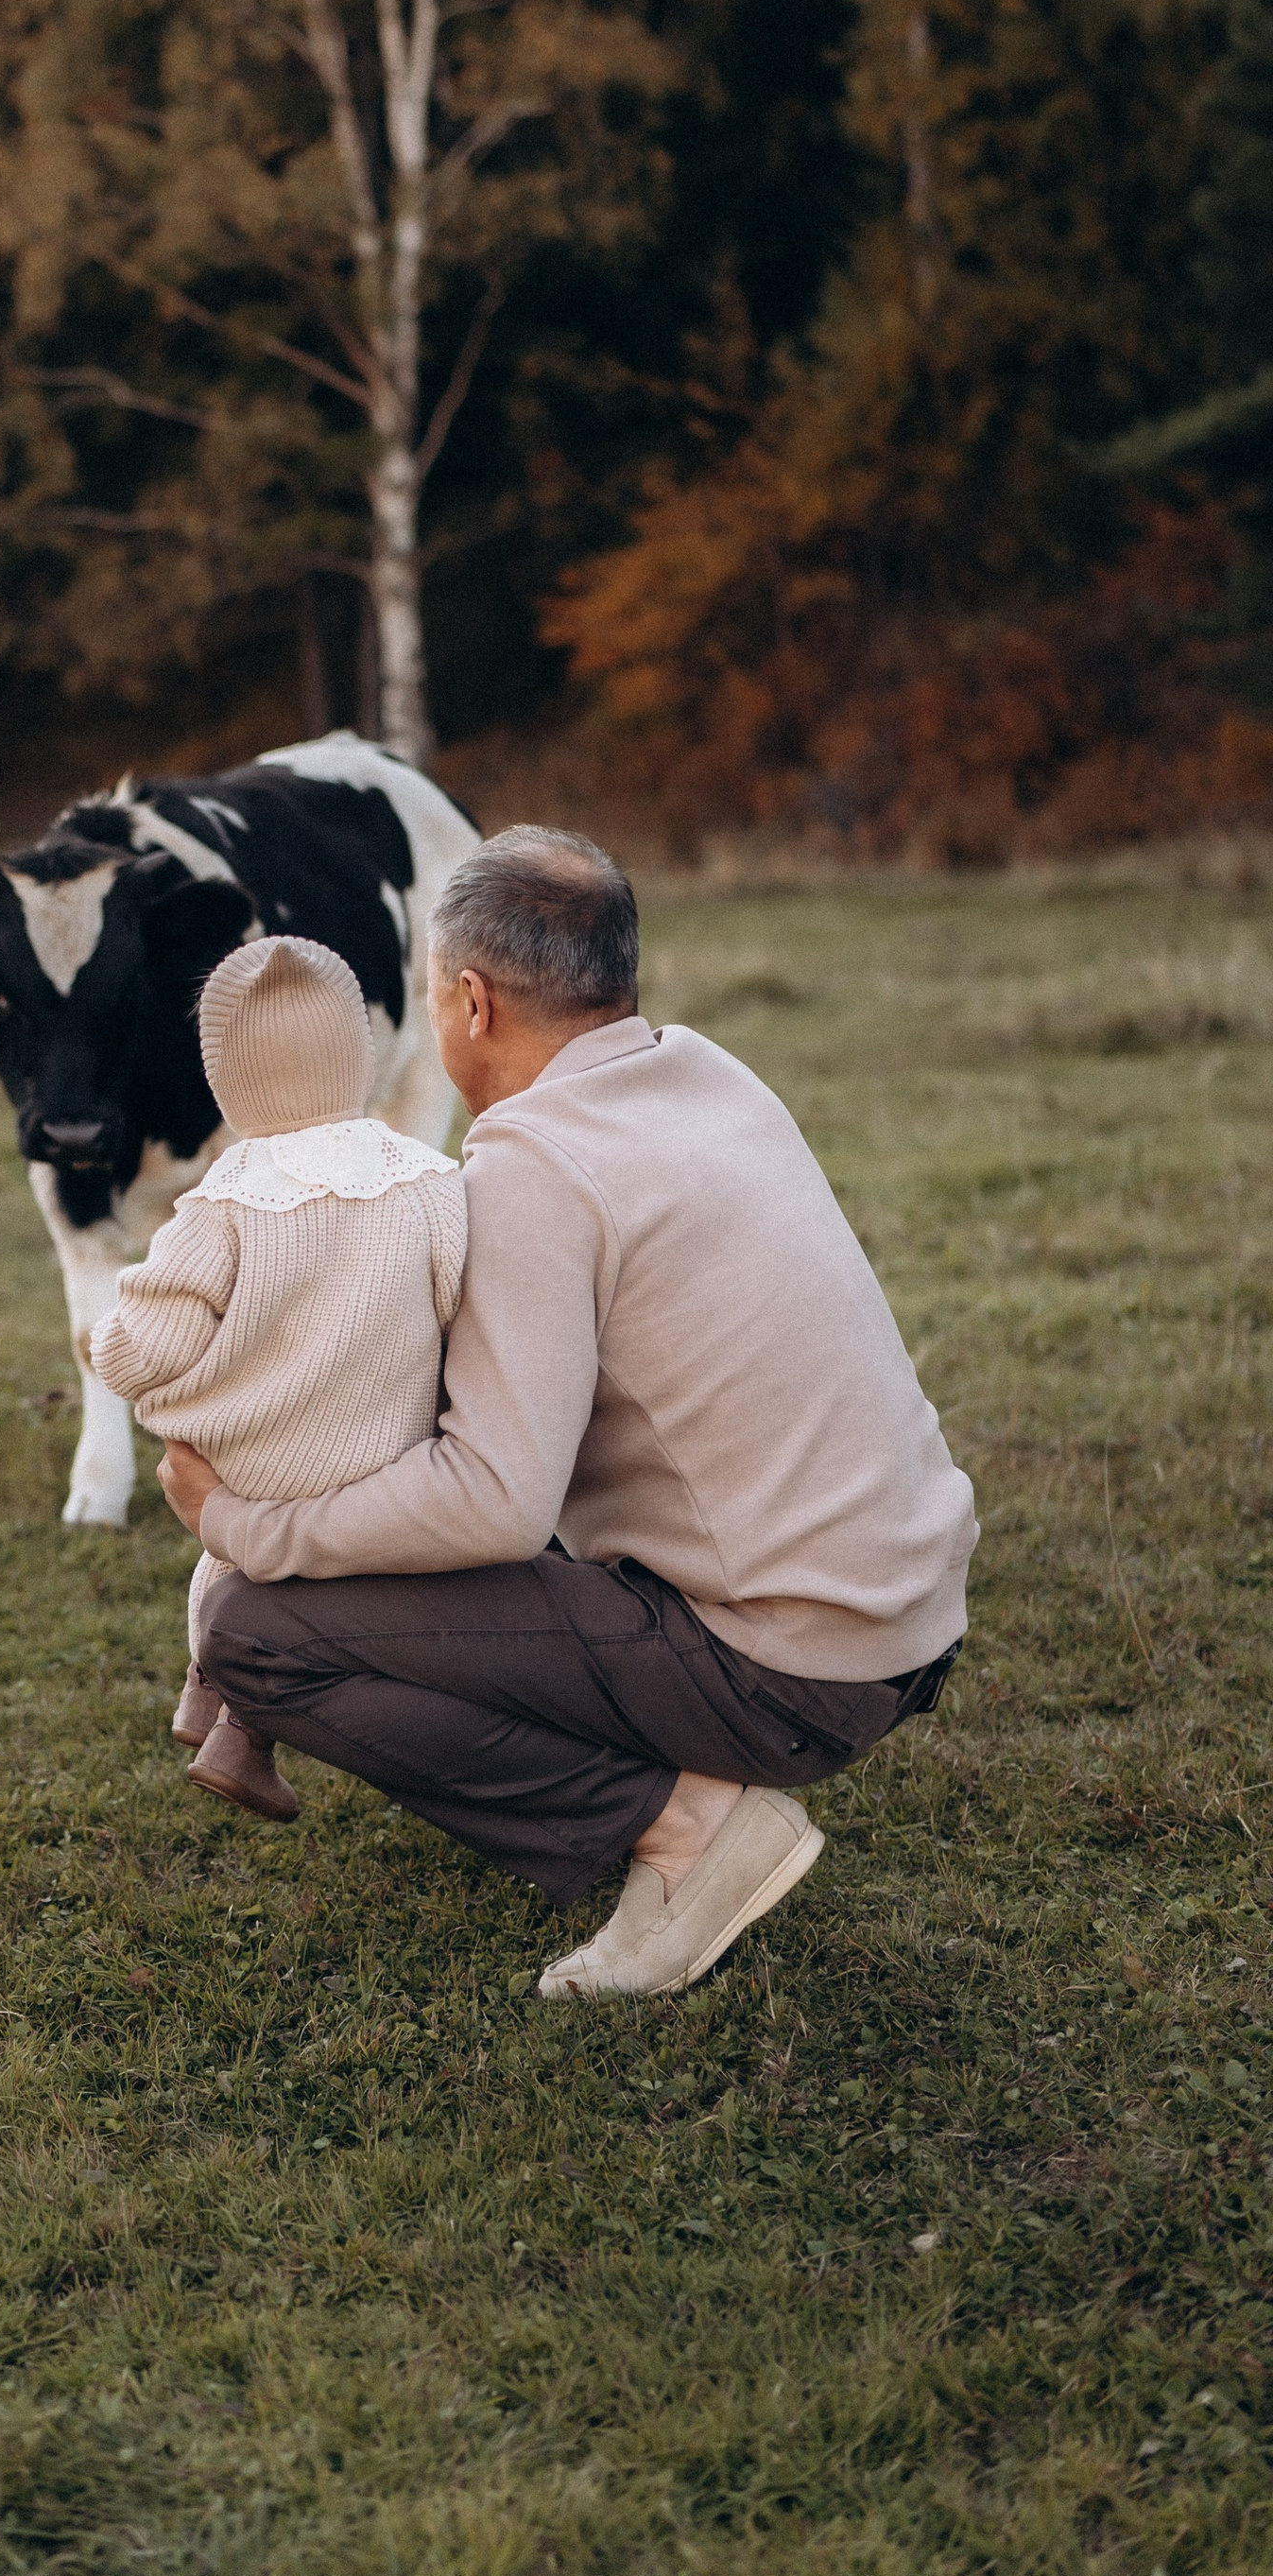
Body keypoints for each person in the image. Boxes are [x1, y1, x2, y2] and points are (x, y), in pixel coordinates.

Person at [162, 827, 973, 1999]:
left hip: (791, 1673)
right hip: (904, 1616)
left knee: (255, 1630)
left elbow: (495, 1500)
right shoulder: (707, 1072)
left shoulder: (532, 1168)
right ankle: (668, 1787)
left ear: (473, 1002)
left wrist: (242, 1522)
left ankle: (685, 1829)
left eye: (436, 995)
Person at [91, 934, 464, 1819]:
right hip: (385, 1464)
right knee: (267, 1577)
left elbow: (142, 1346)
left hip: (256, 1473)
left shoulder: (220, 1207)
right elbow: (461, 1306)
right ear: (365, 1054)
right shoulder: (431, 1181)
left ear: (219, 1080)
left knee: (229, 1558)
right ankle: (235, 1721)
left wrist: (114, 1338)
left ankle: (215, 1700)